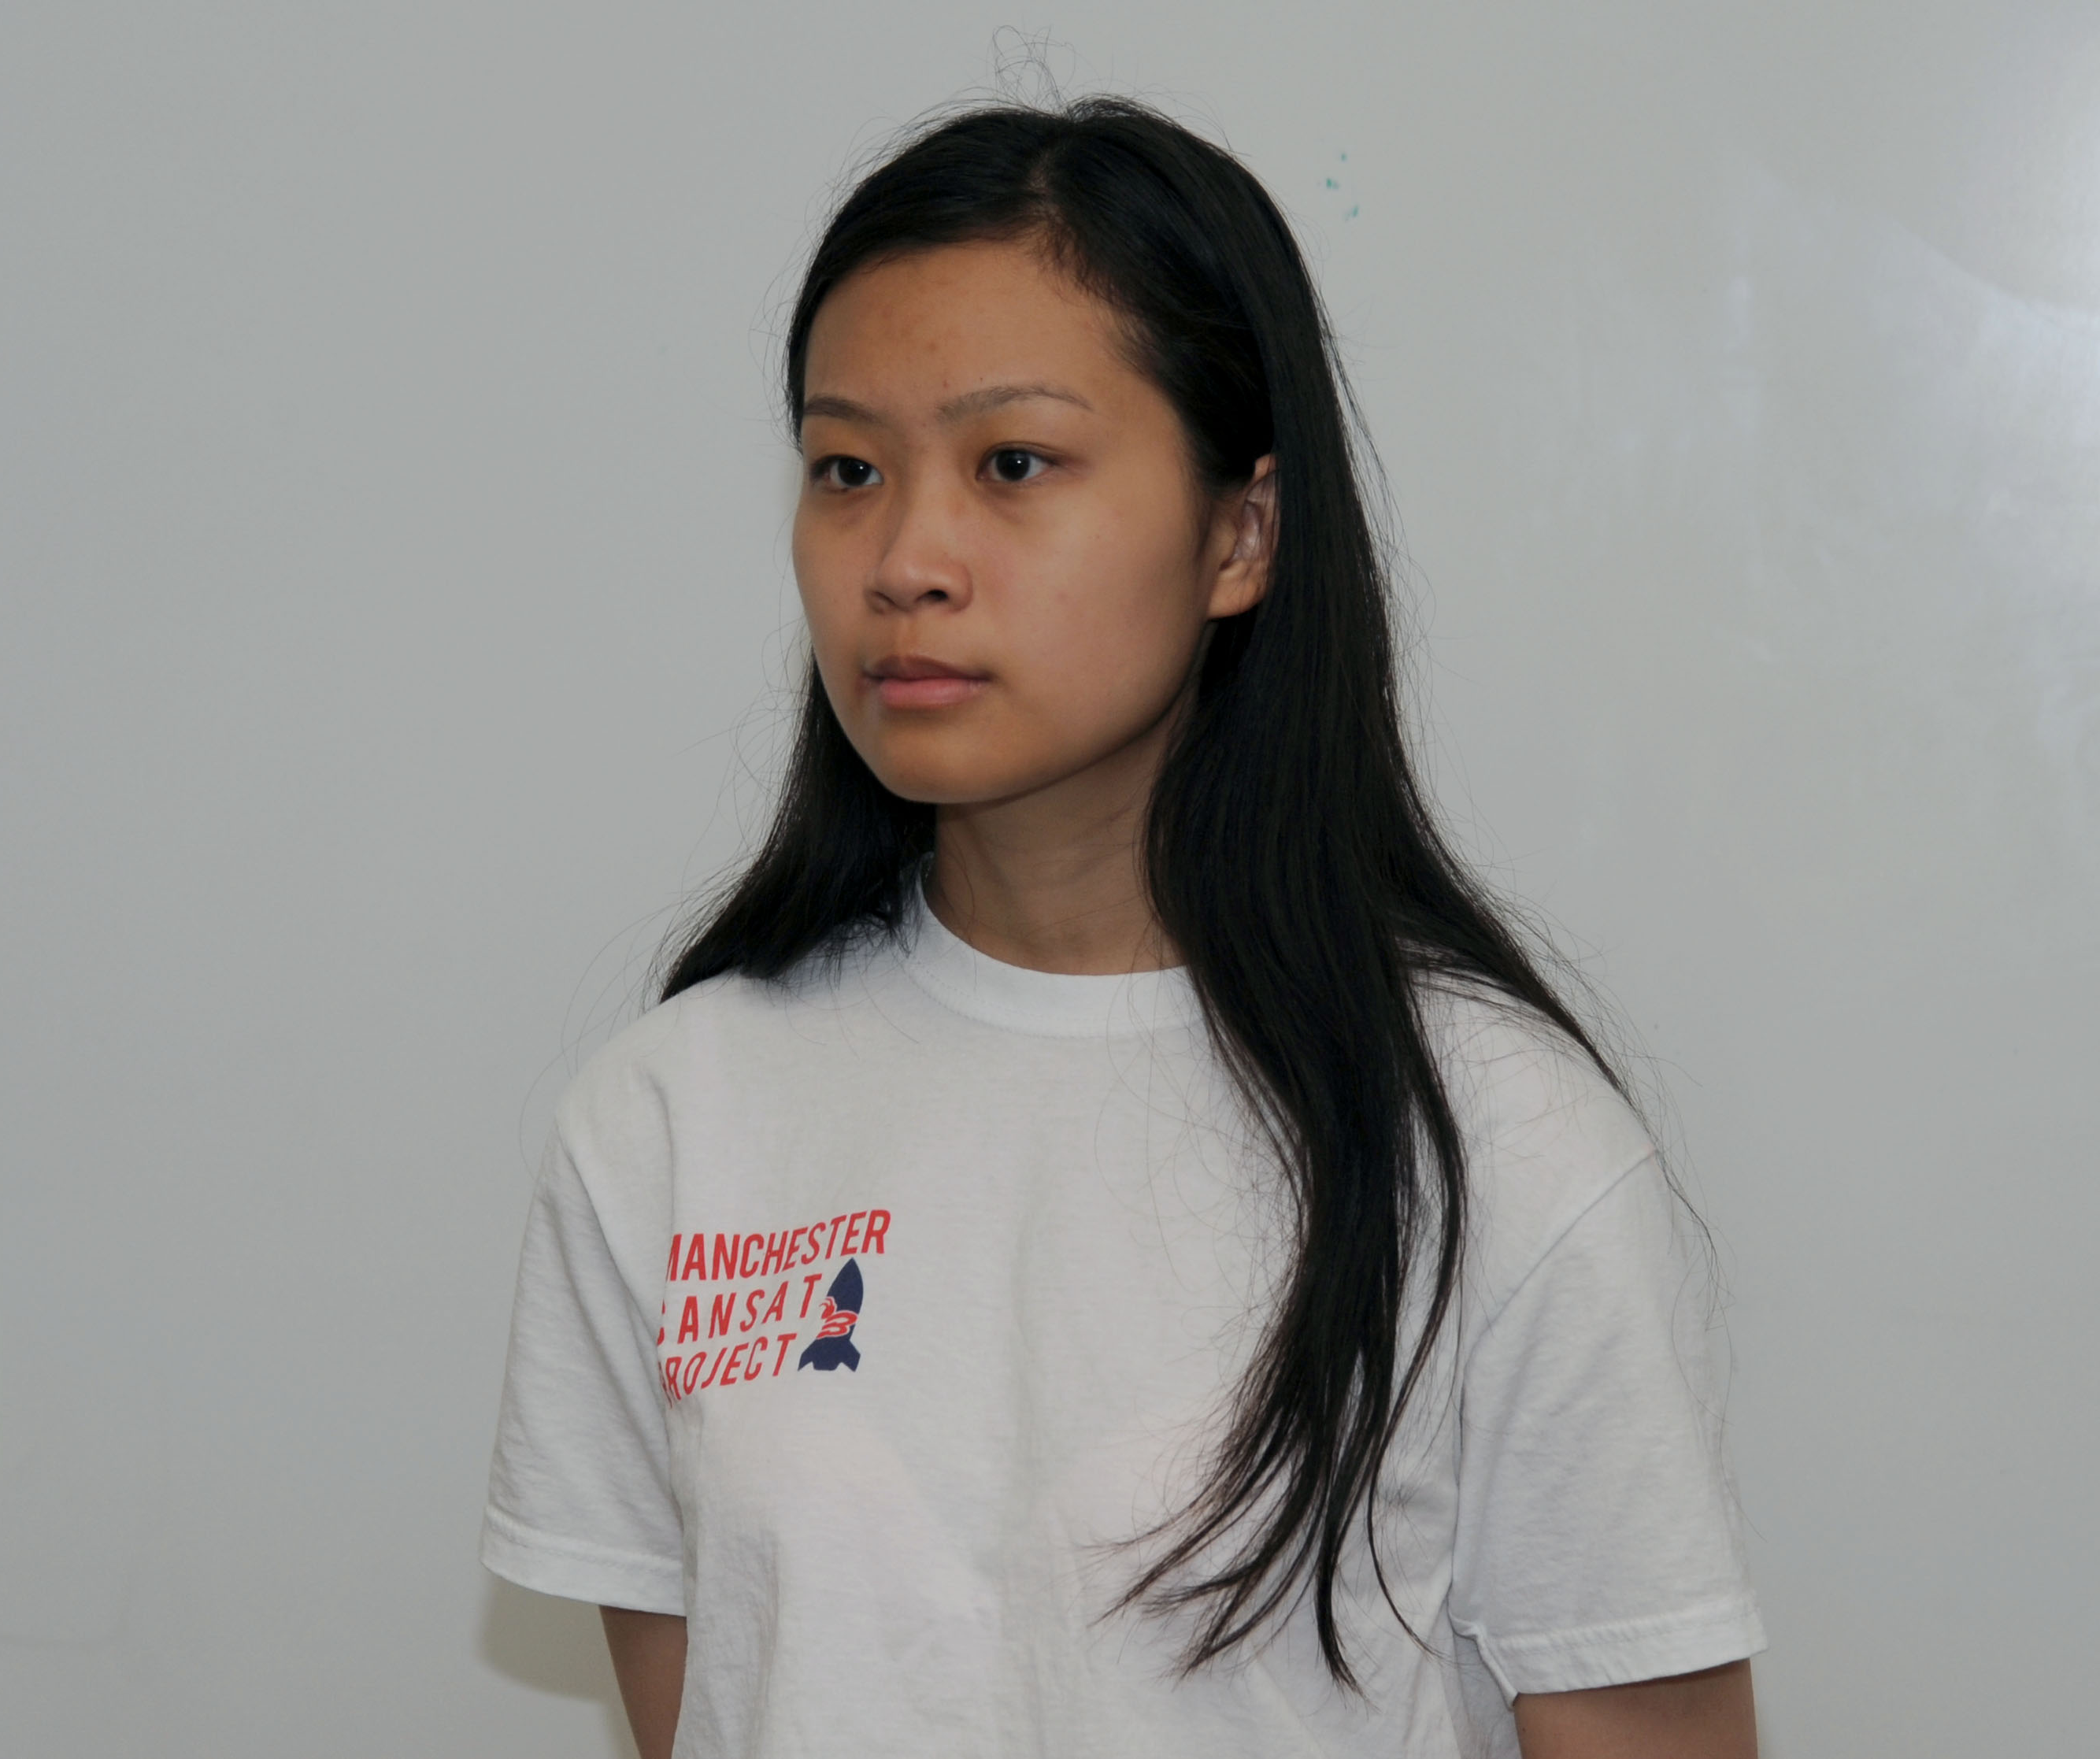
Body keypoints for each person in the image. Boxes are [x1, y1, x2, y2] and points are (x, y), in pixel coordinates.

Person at [481, 95, 1764, 1759]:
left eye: (1012, 464)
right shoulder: (670, 1120)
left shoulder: (1494, 1142)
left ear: (1240, 533)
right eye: (846, 468)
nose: (905, 558)